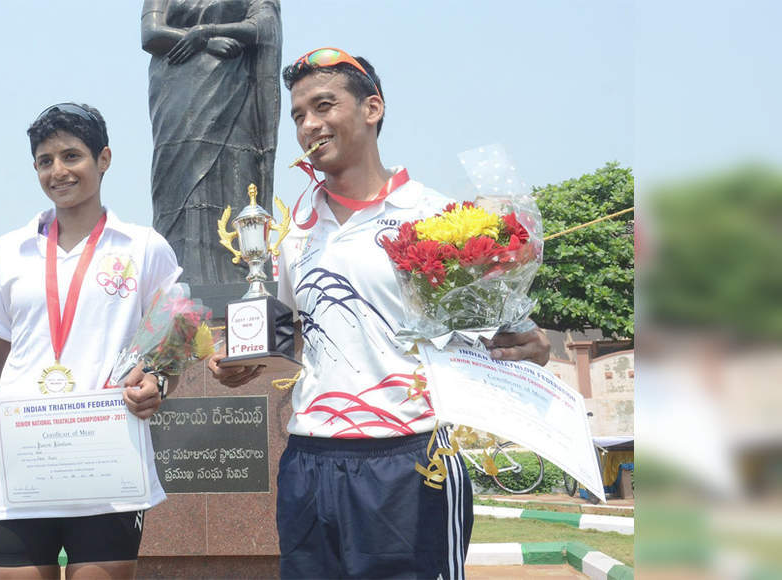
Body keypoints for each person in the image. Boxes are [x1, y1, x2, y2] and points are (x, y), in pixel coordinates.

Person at [208, 48, 551, 579]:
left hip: (413, 457)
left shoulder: (437, 215)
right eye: (298, 115)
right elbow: (290, 334)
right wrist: (238, 360)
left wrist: (529, 342)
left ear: (372, 108)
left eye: (324, 106)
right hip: (311, 455)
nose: (309, 125)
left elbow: (508, 329)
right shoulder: (295, 230)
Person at [0, 103, 180, 579]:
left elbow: (170, 346)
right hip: (19, 470)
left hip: (105, 467)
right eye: (45, 161)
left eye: (71, 156)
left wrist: (158, 386)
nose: (58, 171)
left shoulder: (143, 248)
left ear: (103, 159)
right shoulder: (8, 251)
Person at [141, 0, 281, 285]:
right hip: (176, 96)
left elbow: (264, 25)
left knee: (234, 182)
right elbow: (151, 33)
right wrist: (204, 42)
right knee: (175, 189)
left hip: (233, 93)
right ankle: (177, 288)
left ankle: (239, 280)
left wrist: (206, 31)